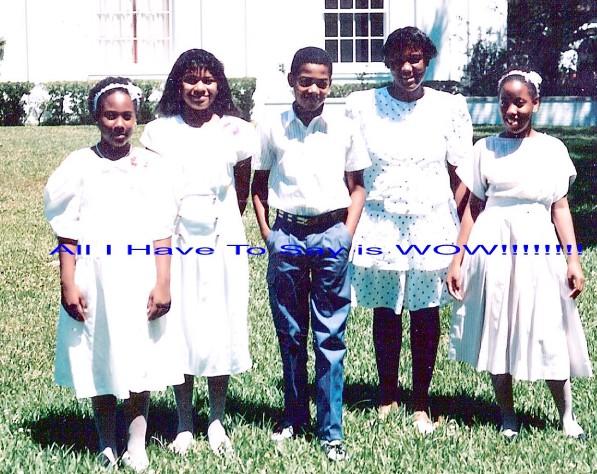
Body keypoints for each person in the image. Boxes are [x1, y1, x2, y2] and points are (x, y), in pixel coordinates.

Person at [44, 77, 183, 471]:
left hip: (139, 275)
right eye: (110, 116)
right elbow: (67, 230)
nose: (119, 125)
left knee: (140, 357)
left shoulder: (152, 167)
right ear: (97, 118)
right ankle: (106, 440)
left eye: (126, 116)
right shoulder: (79, 166)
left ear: (136, 118)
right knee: (99, 353)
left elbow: (162, 229)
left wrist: (163, 281)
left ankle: (136, 443)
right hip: (96, 277)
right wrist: (68, 282)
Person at [447, 70, 593, 440]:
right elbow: (473, 209)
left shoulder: (552, 149)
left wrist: (573, 259)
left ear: (535, 104)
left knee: (548, 325)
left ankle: (567, 416)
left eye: (520, 103)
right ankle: (507, 416)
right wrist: (458, 259)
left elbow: (560, 208)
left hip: (538, 245)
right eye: (505, 103)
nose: (512, 111)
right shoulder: (485, 149)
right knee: (498, 326)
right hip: (493, 245)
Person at [345, 26, 472, 432]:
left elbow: (461, 174)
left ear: (427, 60)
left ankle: (421, 401)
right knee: (386, 311)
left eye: (415, 58)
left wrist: (452, 225)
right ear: (387, 62)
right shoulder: (363, 106)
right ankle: (387, 395)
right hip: (380, 222)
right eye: (399, 59)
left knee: (425, 311)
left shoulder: (448, 107)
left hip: (430, 224)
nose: (407, 67)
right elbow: (350, 170)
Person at [251, 46, 370, 462]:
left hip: (331, 234)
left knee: (330, 337)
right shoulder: (273, 127)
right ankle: (294, 415)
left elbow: (358, 186)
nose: (313, 90)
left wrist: (346, 234)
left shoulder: (344, 128)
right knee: (290, 333)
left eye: (322, 83)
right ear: (292, 81)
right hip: (287, 235)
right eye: (305, 81)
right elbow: (258, 186)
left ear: (330, 85)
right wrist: (269, 235)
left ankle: (331, 430)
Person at [140, 49, 258, 456]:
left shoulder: (235, 131)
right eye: (191, 79)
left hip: (223, 239)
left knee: (219, 324)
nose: (200, 88)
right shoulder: (159, 132)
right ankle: (184, 422)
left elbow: (241, 189)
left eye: (208, 80)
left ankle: (217, 420)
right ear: (178, 84)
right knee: (183, 325)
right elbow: (152, 189)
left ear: (218, 85)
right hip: (175, 241)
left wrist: (218, 222)